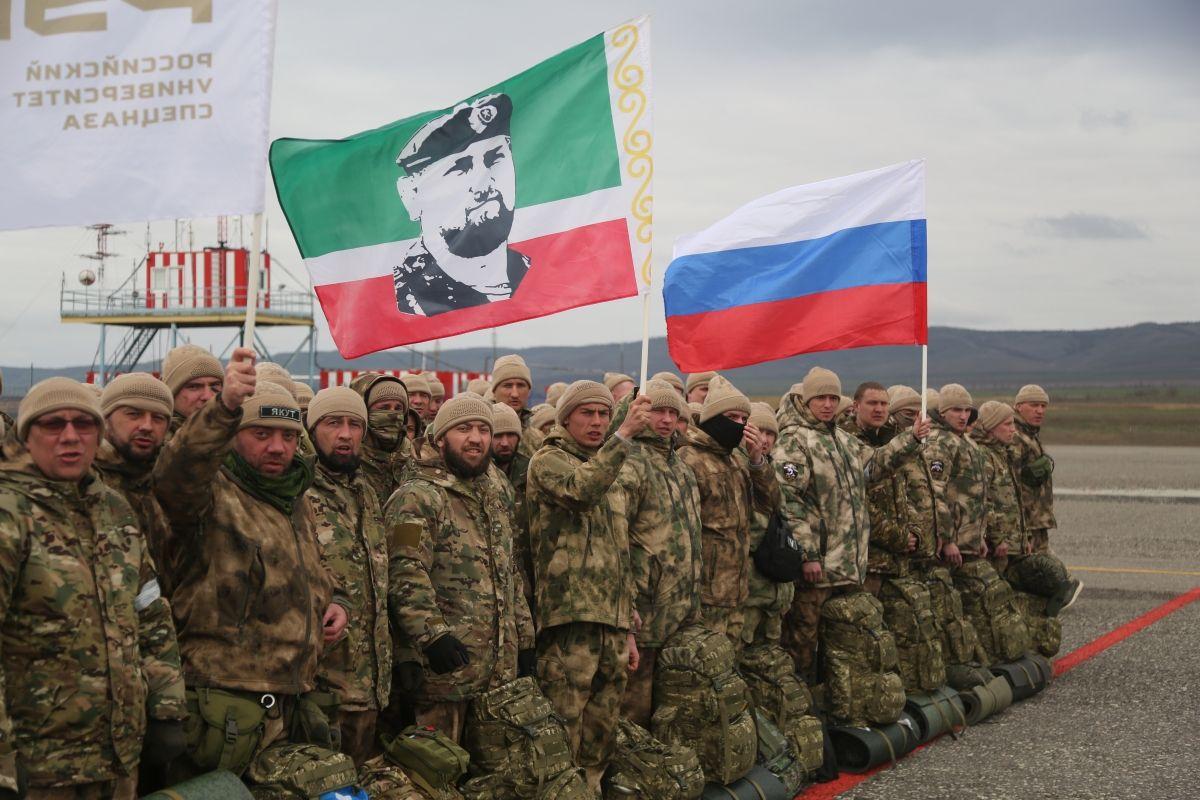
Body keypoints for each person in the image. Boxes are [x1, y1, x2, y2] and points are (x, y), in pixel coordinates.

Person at [153, 349, 348, 779]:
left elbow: (308, 571)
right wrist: (223, 408)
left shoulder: (294, 499)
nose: (278, 447)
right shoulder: (209, 495)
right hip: (221, 707)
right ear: (234, 434)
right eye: (261, 433)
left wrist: (331, 603)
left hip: (290, 699)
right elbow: (176, 474)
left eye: (289, 436)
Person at [0, 378, 185, 799]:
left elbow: (151, 613)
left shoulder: (114, 511)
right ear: (27, 435)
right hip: (39, 766)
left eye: (84, 424)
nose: (70, 436)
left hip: (117, 758)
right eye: (53, 424)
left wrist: (167, 708)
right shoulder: (10, 513)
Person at [385, 396, 534, 741]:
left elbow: (510, 572)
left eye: (483, 429)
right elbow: (405, 572)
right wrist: (432, 635)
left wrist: (525, 639)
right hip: (445, 672)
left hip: (498, 672)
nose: (476, 438)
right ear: (441, 438)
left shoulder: (494, 495)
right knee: (439, 772)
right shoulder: (418, 497)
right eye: (463, 429)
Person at [527, 381, 650, 791]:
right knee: (565, 722)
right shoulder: (549, 461)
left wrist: (628, 624)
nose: (597, 422)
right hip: (571, 617)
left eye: (602, 413)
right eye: (587, 414)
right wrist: (624, 434)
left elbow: (620, 549)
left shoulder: (609, 464)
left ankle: (593, 787)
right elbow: (580, 492)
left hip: (611, 620)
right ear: (565, 419)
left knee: (602, 726)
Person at [772, 368, 929, 681]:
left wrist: (911, 439)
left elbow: (874, 466)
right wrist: (808, 554)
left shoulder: (844, 441)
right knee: (803, 644)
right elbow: (788, 502)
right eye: (820, 398)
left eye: (833, 397)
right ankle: (801, 708)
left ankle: (838, 704)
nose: (828, 404)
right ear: (806, 400)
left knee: (844, 644)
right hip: (818, 569)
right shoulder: (794, 441)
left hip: (848, 567)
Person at [306, 387, 392, 765]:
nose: (345, 434)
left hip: (369, 683)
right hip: (320, 683)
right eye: (333, 423)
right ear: (312, 430)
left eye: (354, 424)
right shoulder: (299, 491)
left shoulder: (366, 493)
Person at [393, 93, 530, 315]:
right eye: (459, 169)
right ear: (411, 196)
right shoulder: (410, 301)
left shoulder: (533, 274)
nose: (483, 184)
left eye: (494, 161)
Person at [616, 381, 702, 727]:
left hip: (680, 604)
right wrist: (627, 609)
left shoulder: (680, 467)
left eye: (673, 413)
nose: (666, 420)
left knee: (673, 701)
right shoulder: (630, 462)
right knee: (635, 703)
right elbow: (618, 537)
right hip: (645, 604)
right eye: (658, 411)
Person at [677, 376, 779, 651]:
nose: (740, 424)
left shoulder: (737, 458)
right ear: (713, 418)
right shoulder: (689, 458)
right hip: (704, 594)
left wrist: (757, 461)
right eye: (731, 416)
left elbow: (769, 503)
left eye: (744, 418)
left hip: (737, 590)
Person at [971, 401, 1081, 615]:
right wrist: (996, 538)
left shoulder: (1002, 452)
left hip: (1014, 538)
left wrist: (1021, 539)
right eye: (1007, 424)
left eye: (1013, 424)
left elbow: (1012, 498)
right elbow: (984, 502)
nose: (1013, 429)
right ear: (992, 427)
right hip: (996, 543)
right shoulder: (985, 457)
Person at [93, 374, 178, 603]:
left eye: (158, 418)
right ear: (106, 418)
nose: (147, 426)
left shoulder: (168, 482)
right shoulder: (86, 482)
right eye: (134, 414)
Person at [741, 402, 793, 649]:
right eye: (759, 431)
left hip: (775, 585)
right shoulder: (739, 469)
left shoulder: (776, 471)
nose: (764, 439)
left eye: (770, 433)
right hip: (750, 586)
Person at [923, 384, 988, 569]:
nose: (963, 416)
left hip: (969, 540)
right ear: (942, 412)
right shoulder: (939, 443)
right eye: (957, 410)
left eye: (968, 410)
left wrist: (979, 536)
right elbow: (935, 493)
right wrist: (947, 539)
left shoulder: (966, 442)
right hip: (952, 544)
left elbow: (976, 494)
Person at [490, 402, 536, 617]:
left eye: (511, 435)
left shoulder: (532, 472)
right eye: (498, 436)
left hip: (529, 581)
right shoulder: (477, 475)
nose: (505, 443)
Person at [349, 373, 413, 506]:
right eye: (384, 408)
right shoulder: (347, 461)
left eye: (398, 408)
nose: (393, 415)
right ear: (364, 411)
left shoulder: (414, 458)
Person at [1011, 385, 1057, 556]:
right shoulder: (1015, 437)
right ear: (1019, 406)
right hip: (1025, 525)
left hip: (1037, 522)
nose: (1039, 411)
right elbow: (1009, 486)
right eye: (1034, 405)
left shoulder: (1030, 435)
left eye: (1043, 406)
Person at [160, 344, 223, 434]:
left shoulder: (234, 433)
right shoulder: (154, 440)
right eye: (194, 387)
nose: (208, 396)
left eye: (215, 386)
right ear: (171, 392)